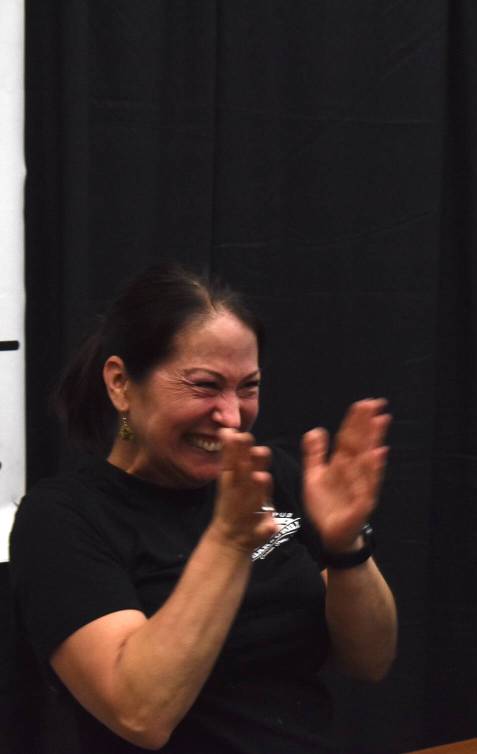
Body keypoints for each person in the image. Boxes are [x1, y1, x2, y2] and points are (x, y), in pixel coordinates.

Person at [9, 264, 397, 753]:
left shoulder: (272, 476)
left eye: (248, 387)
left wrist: (347, 549)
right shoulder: (62, 520)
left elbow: (370, 659)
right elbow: (140, 713)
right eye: (205, 386)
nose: (232, 417)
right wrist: (229, 542)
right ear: (121, 383)